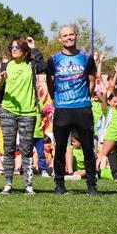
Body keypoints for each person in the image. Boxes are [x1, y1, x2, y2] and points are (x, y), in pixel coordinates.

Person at [0, 36, 46, 195]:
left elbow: (44, 66)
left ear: (24, 49)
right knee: (9, 149)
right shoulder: (6, 65)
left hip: (28, 112)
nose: (14, 49)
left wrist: (34, 48)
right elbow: (0, 86)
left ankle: (28, 185)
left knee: (26, 150)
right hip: (8, 111)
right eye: (12, 47)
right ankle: (8, 184)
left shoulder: (32, 64)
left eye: (17, 47)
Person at [45, 25, 99, 195]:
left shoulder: (86, 58)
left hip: (82, 108)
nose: (68, 38)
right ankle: (59, 184)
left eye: (71, 35)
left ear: (76, 36)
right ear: (60, 39)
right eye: (65, 36)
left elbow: (91, 80)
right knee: (60, 148)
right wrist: (56, 100)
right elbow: (50, 82)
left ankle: (91, 185)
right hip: (62, 109)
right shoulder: (53, 60)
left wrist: (84, 98)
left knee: (88, 148)